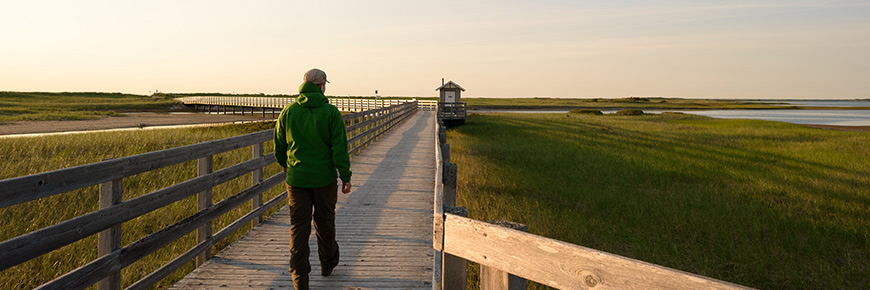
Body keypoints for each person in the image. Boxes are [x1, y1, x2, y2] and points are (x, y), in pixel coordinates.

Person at [274, 68, 352, 289]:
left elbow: (279, 145)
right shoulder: (331, 113)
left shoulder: (288, 112)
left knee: (298, 228)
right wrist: (345, 176)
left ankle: (300, 279)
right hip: (325, 181)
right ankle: (328, 264)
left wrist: (285, 164)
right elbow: (339, 149)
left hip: (297, 180)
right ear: (321, 86)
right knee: (324, 223)